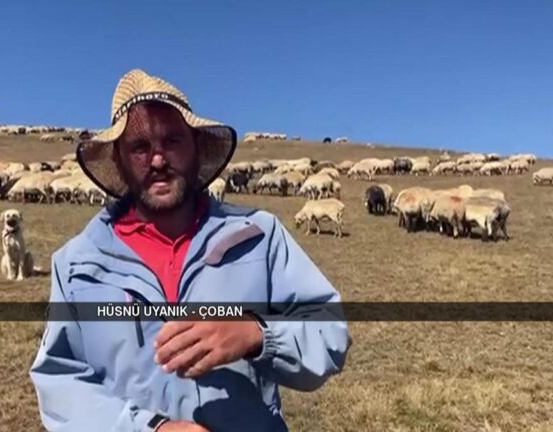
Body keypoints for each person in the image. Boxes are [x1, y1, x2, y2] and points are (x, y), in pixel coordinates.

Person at [30, 69, 350, 431]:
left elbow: (330, 333)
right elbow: (58, 379)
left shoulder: (258, 236)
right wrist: (149, 429)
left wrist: (256, 334)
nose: (157, 160)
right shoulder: (77, 264)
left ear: (197, 147)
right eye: (139, 147)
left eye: (172, 141)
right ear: (119, 159)